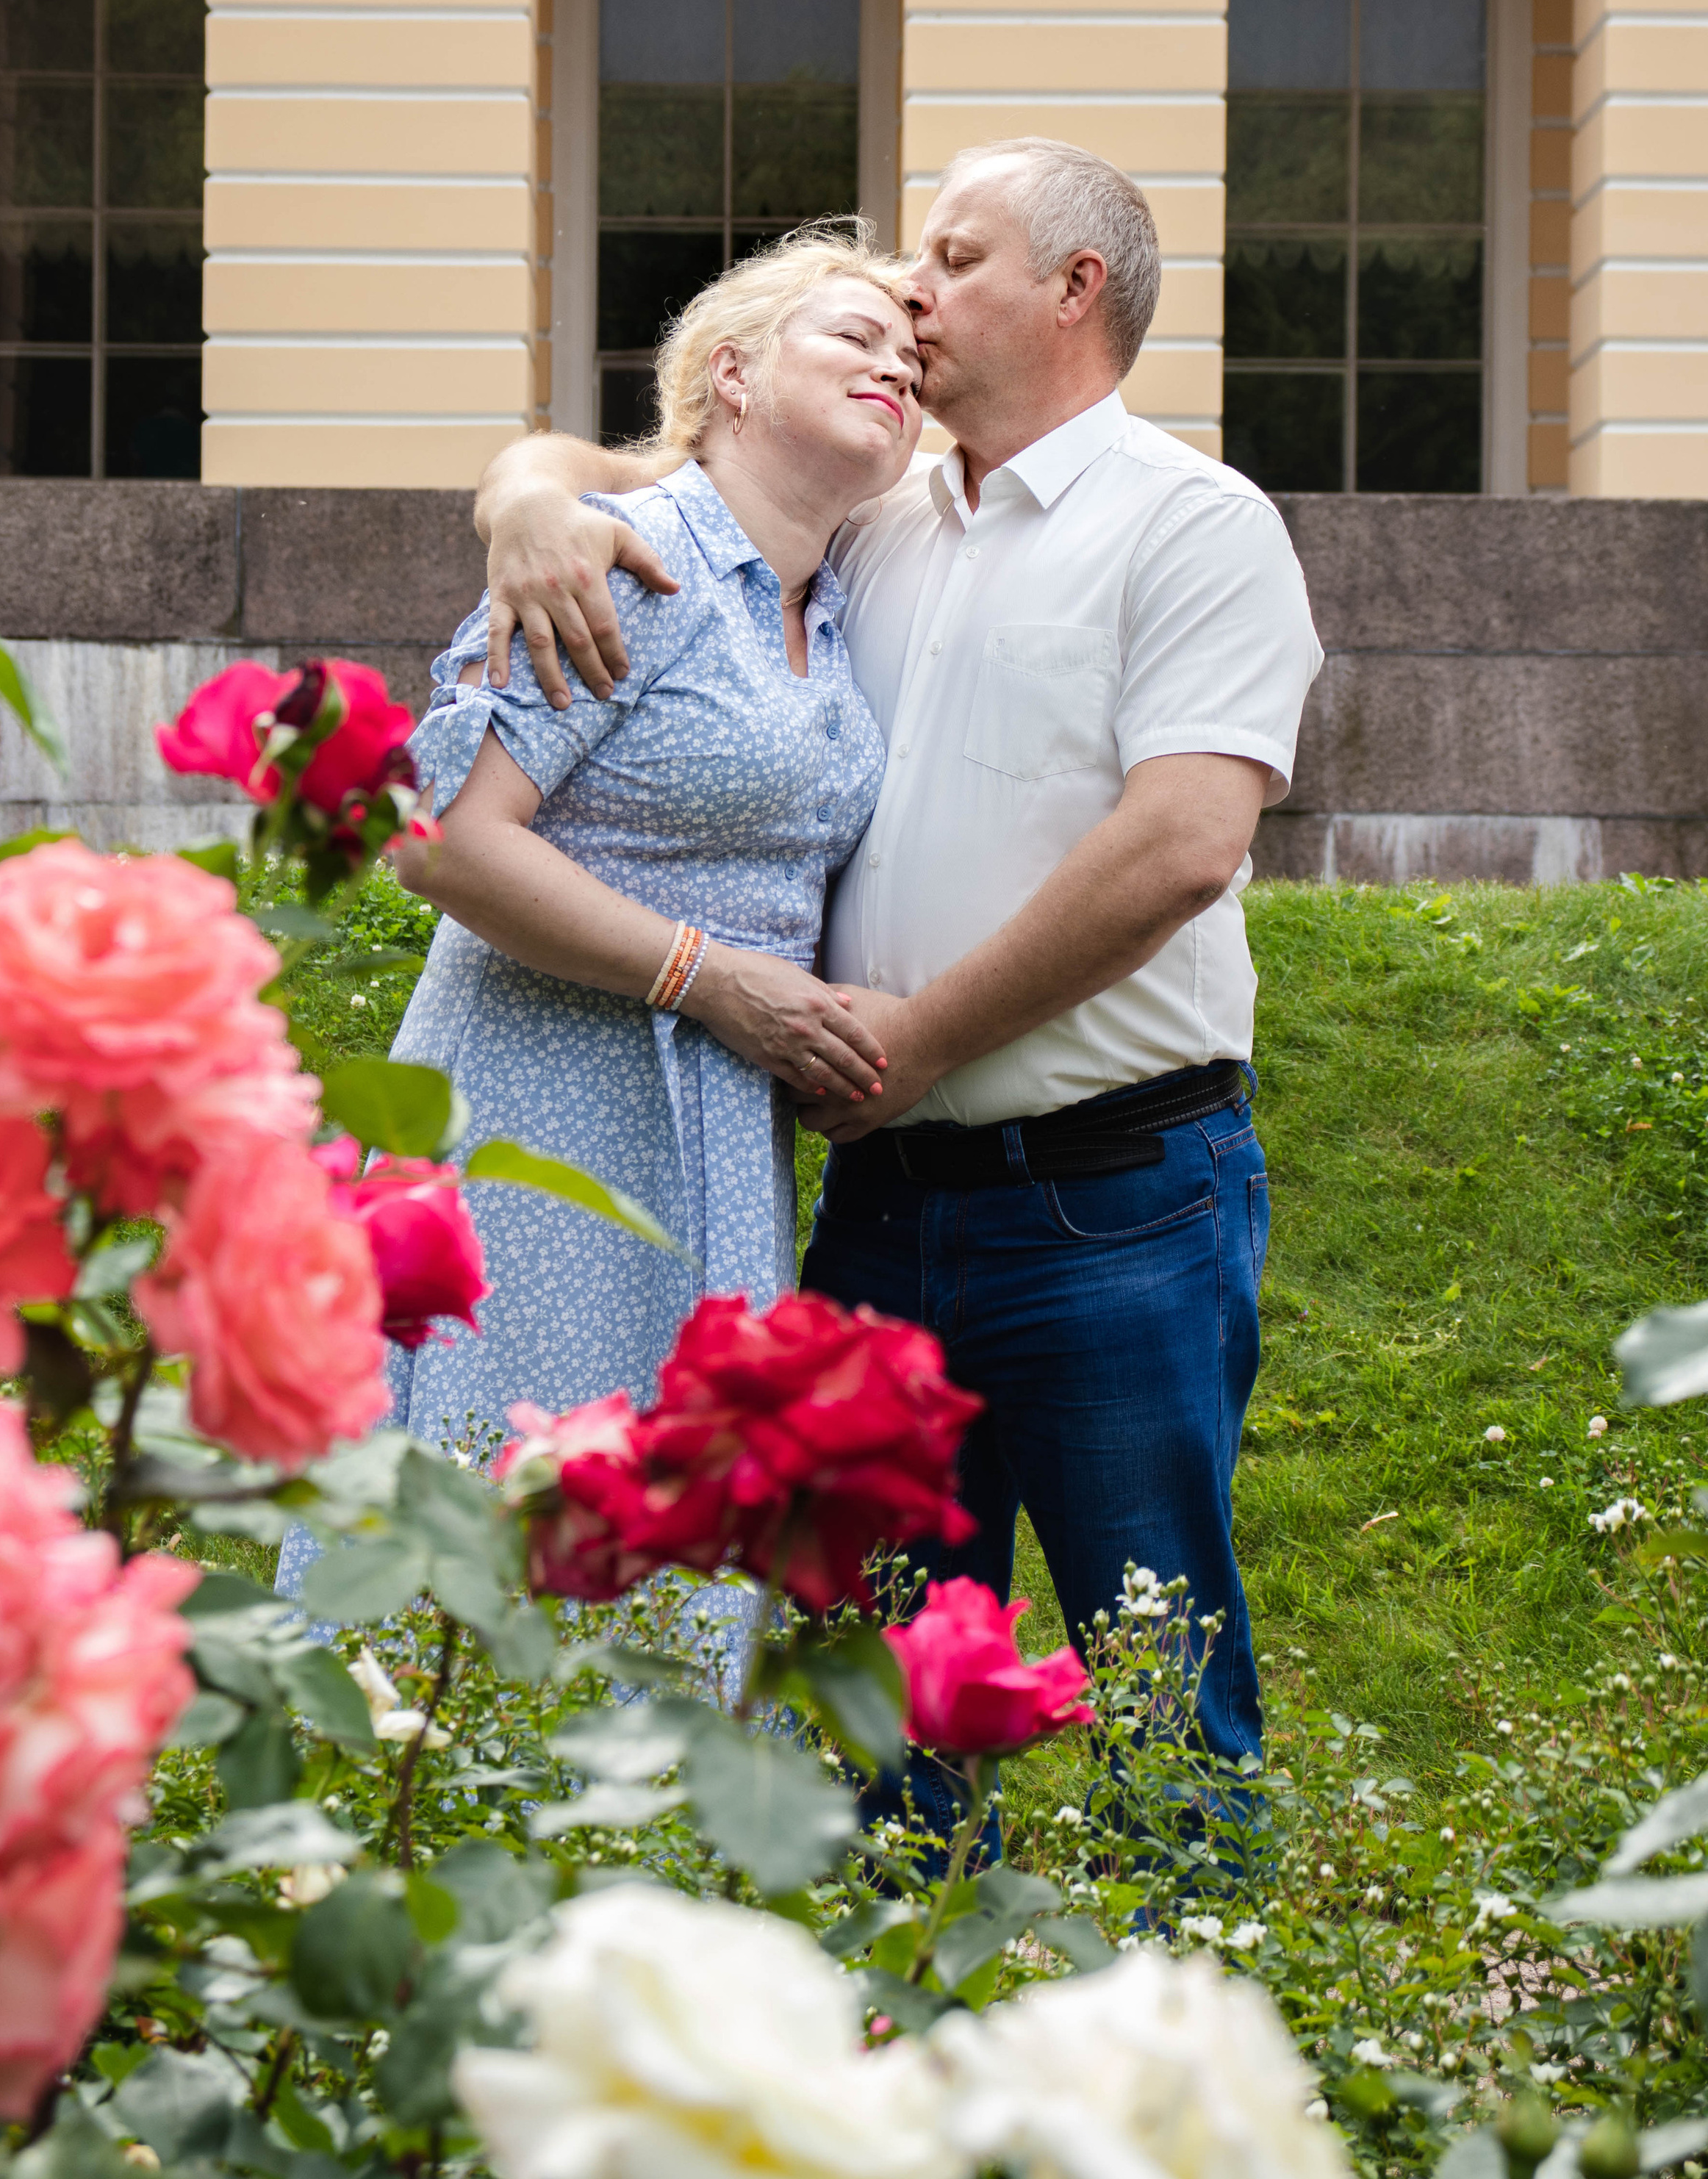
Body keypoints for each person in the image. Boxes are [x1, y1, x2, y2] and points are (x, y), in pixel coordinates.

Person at [471, 139, 1324, 1778]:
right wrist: (523, 495)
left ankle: (1199, 2005)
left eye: (953, 257)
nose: (909, 294)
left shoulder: (1193, 525)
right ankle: (894, 2021)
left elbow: (1180, 848)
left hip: (1112, 1199)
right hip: (873, 1206)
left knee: (1154, 1674)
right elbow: (639, 462)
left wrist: (919, 1035)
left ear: (1074, 289)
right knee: (872, 1696)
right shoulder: (877, 517)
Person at [314, 231, 922, 1522]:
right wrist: (701, 977)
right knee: (518, 1511)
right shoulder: (632, 559)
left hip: (721, 1124)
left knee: (668, 1530)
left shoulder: (834, 601)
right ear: (736, 375)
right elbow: (439, 835)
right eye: (856, 338)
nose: (897, 370)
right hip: (549, 1103)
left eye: (914, 361)